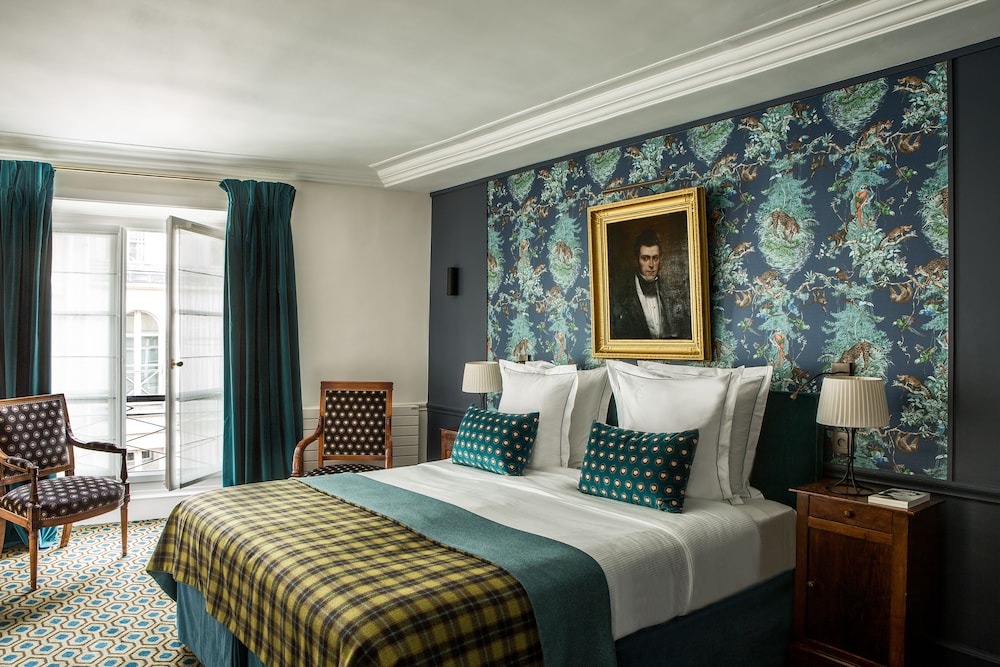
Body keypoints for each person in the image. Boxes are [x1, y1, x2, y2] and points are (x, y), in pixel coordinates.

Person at [609, 228, 690, 339]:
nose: (651, 265)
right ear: (637, 260)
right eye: (645, 258)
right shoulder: (622, 298)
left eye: (655, 258)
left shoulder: (671, 295)